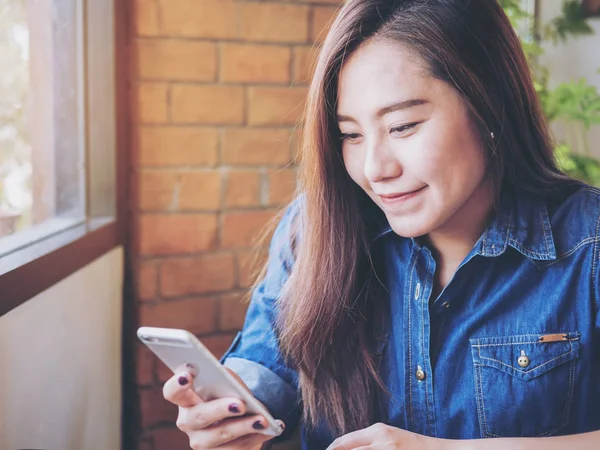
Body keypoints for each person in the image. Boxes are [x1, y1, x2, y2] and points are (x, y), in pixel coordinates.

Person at [162, 0, 600, 449]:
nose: (374, 168)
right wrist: (232, 407)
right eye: (350, 134)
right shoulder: (315, 229)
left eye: (403, 126)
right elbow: (271, 365)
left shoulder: (589, 244)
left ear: (489, 105)